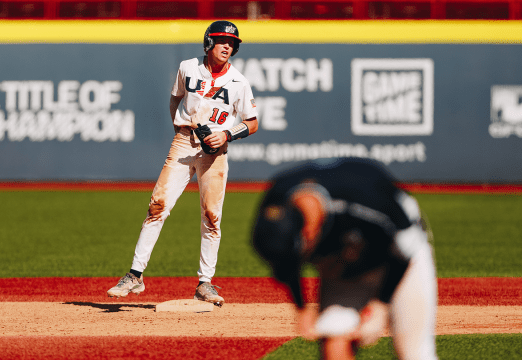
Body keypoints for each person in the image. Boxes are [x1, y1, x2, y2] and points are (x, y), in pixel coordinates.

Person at [107, 20, 258, 306]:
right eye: (222, 40)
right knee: (157, 206)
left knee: (212, 217)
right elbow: (175, 98)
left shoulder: (239, 81)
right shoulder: (188, 68)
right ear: (208, 42)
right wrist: (180, 128)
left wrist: (226, 135)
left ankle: (205, 283)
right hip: (184, 142)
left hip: (216, 150)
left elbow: (252, 122)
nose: (228, 46)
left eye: (232, 43)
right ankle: (135, 275)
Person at [252, 157, 438, 360]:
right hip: (342, 261)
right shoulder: (276, 203)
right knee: (334, 337)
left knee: (414, 353)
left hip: (400, 256)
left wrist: (380, 305)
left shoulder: (364, 203)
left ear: (309, 233)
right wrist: (302, 307)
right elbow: (284, 261)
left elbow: (404, 250)